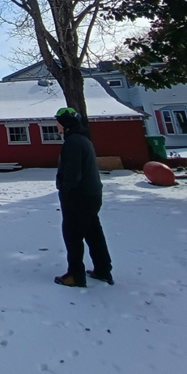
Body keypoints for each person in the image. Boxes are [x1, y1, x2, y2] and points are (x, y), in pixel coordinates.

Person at [53, 107, 114, 288]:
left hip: (78, 197)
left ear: (65, 124)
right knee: (93, 233)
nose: (56, 125)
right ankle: (103, 270)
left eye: (58, 122)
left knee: (72, 235)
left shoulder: (73, 142)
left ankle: (75, 275)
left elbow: (72, 173)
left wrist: (65, 188)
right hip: (92, 194)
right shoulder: (83, 139)